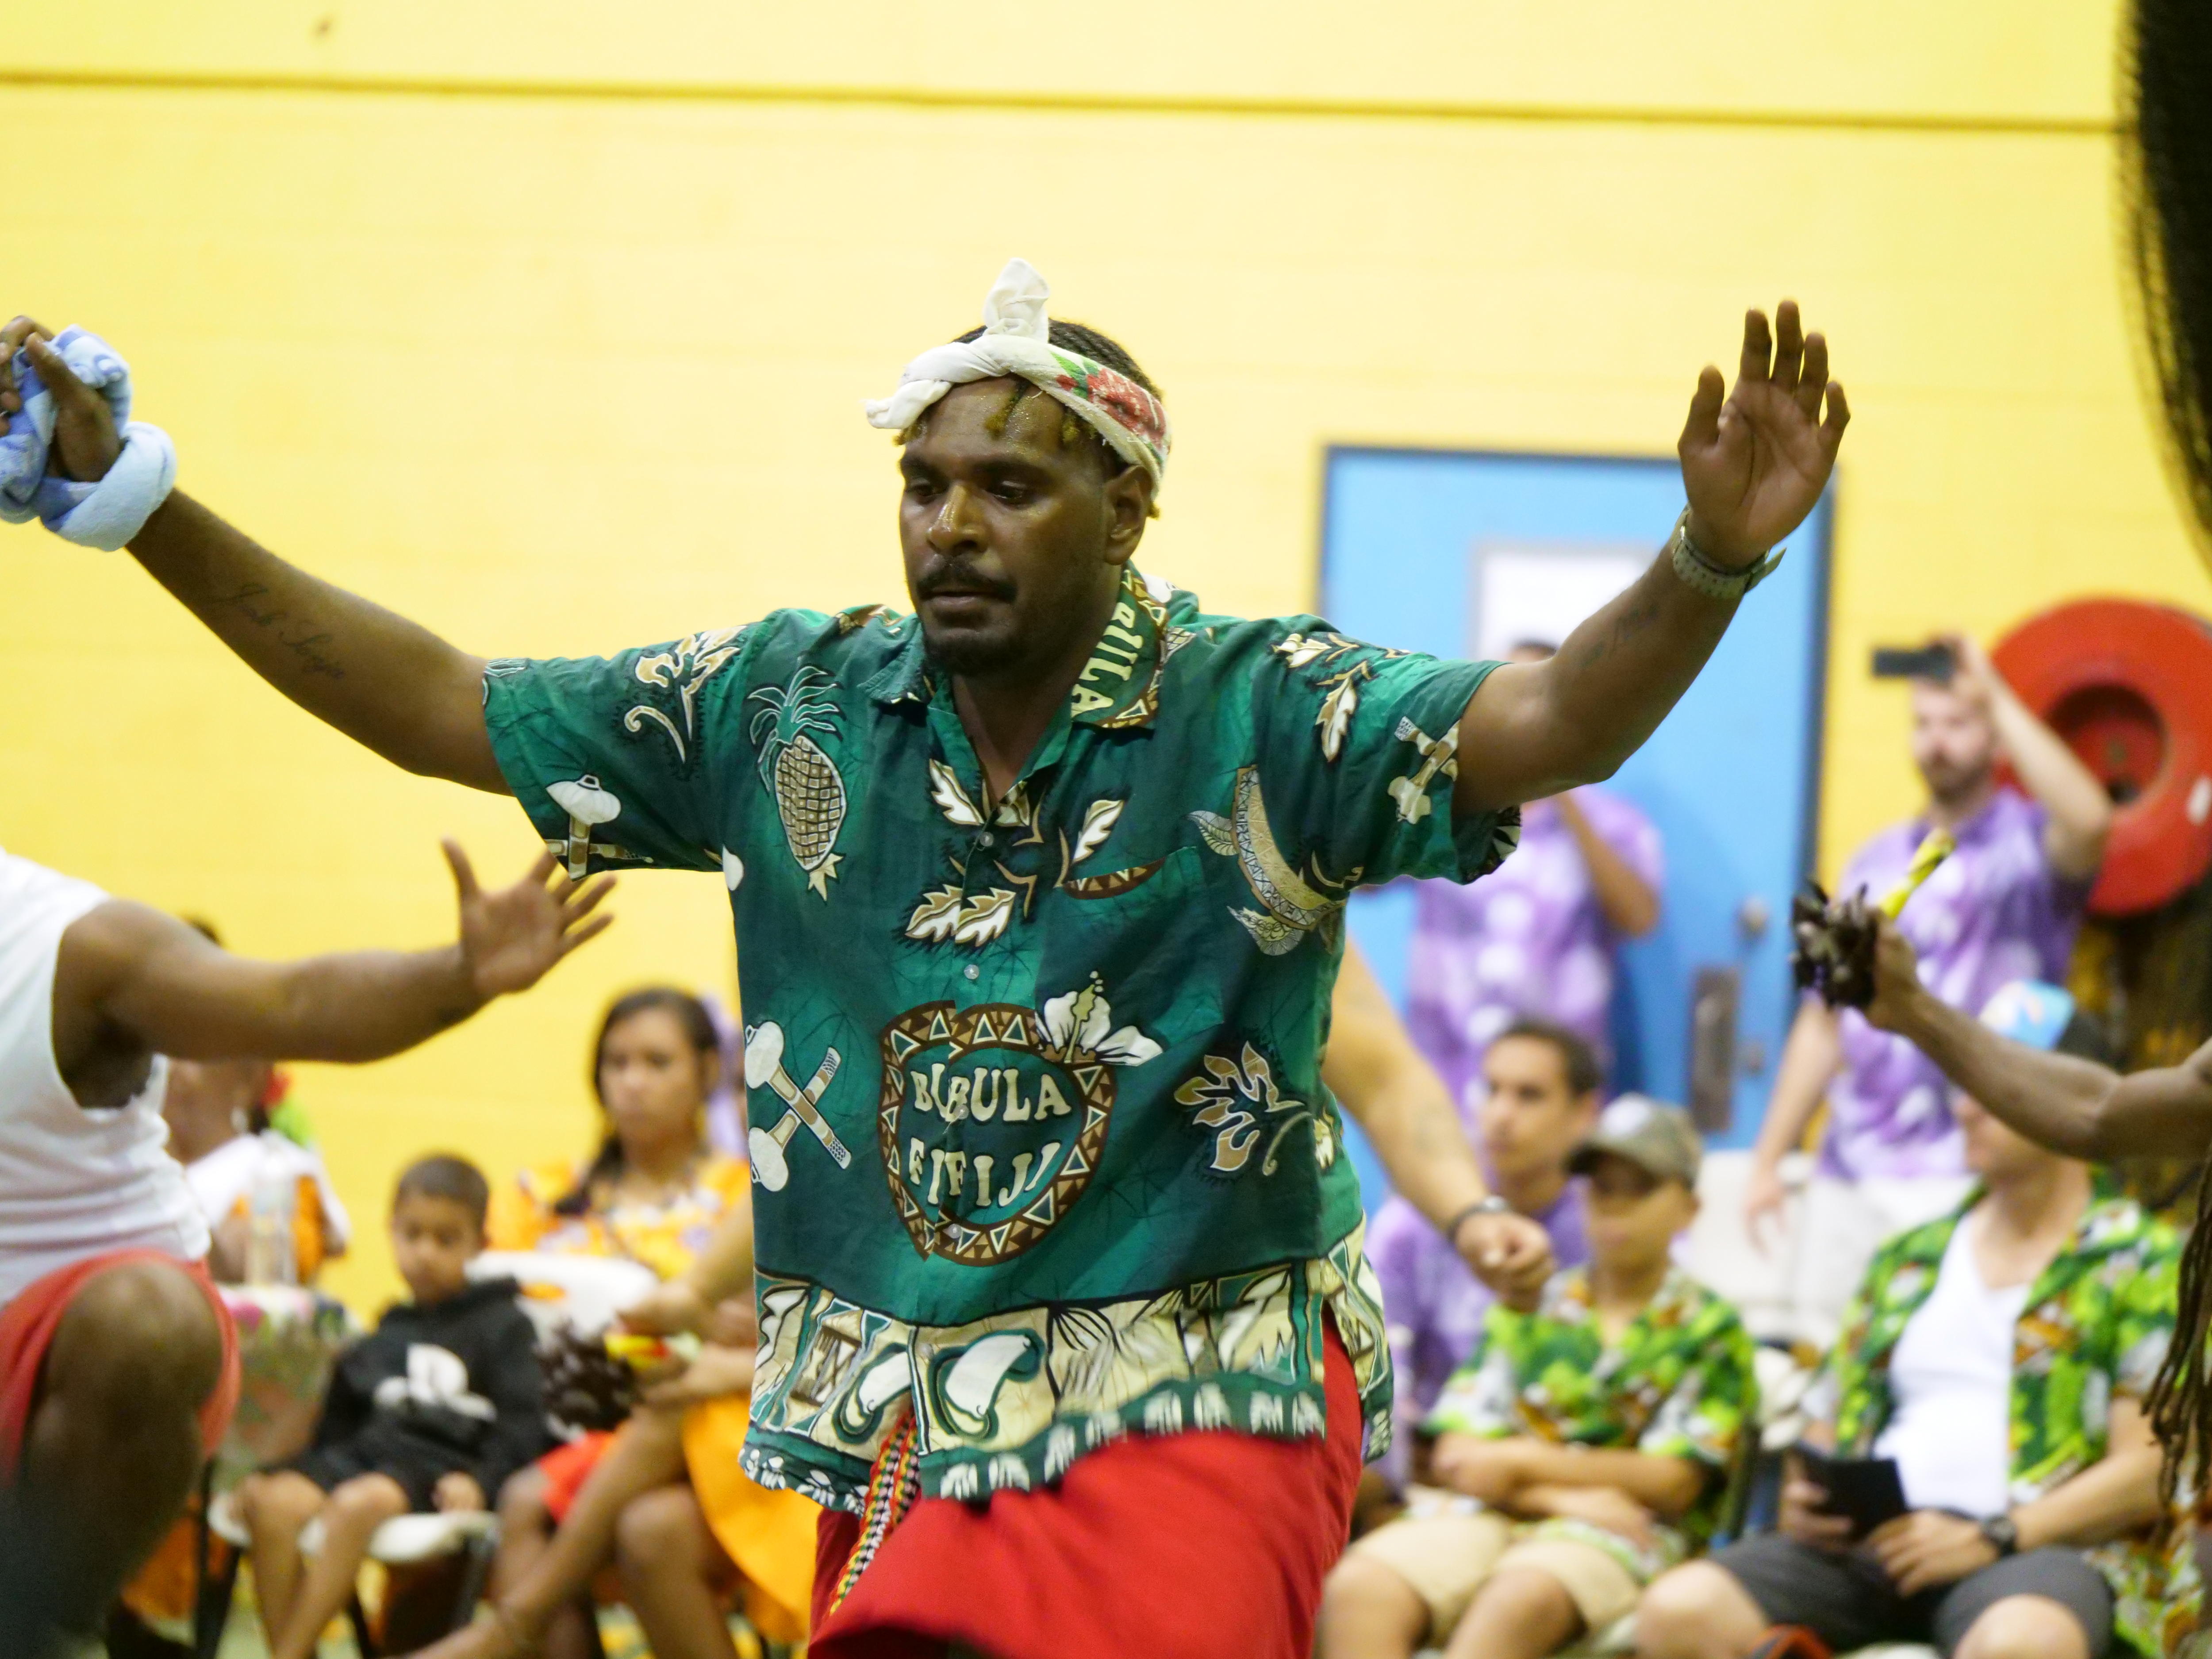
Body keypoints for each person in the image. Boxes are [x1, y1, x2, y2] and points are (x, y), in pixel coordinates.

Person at [1, 257, 1846, 1658]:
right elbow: (438, 705)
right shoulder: (785, 705)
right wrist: (140, 504)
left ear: (1127, 511)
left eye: (1011, 488)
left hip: (1203, 1375)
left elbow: (1547, 722)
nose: (951, 524)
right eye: (925, 482)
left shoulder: (1264, 708)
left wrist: (1702, 563)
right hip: (914, 1402)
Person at [0, 838, 611, 1656]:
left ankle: (49, 1632)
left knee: (148, 1322)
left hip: (80, 1339)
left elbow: (294, 1001)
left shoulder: (76, 944)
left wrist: (459, 974)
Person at [1636, 1058, 2189, 1659]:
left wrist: (1995, 1534)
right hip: (1874, 1543)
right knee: (1679, 1610)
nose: (1965, 1109)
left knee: (2022, 1644)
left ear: (2075, 1108)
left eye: (1997, 1091)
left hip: (2038, 1549)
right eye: (1964, 1091)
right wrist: (1805, 1501)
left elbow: (2151, 1470)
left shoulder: (2144, 1260)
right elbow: (1825, 1421)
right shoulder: (1909, 1255)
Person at [1743, 632, 2113, 1345]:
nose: (1937, 741)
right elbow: (1825, 1020)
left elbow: (2092, 821)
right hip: (1851, 1166)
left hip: (1969, 1163)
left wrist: (1994, 693)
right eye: (1923, 723)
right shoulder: (1875, 858)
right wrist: (1769, 1159)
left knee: (1938, 1361)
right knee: (1826, 1361)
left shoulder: (2029, 849)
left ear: (1994, 735)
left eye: (1957, 723)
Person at [1319, 1099, 1755, 1659]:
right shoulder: (1532, 1304)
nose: (1614, 1206)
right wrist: (1553, 1493)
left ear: (1689, 1208)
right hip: (1496, 1510)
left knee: (1517, 1601)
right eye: (1601, 1187)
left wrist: (1515, 1461)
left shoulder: (1710, 1328)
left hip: (1627, 1532)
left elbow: (1672, 1481)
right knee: (1360, 1587)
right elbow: (1455, 1453)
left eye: (1639, 1188)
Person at [457, 987, 812, 1659]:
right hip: (559, 1411)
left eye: (655, 1061)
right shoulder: (542, 1194)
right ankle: (514, 1625)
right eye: (616, 1063)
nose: (633, 1083)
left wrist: (700, 1333)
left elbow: (784, 1336)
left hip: (721, 1423)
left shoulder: (748, 1193)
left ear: (706, 1071)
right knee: (615, 1517)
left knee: (557, 1499)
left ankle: (512, 1626)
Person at [234, 1156, 546, 1659]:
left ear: (480, 1244)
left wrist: (482, 1481)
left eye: (446, 1239)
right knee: (268, 1501)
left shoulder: (505, 1326)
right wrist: (279, 1473)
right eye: (412, 1234)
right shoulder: (388, 1329)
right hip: (367, 1457)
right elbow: (338, 1424)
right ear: (391, 1231)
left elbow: (524, 1426)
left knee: (357, 1505)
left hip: (440, 1465)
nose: (425, 1253)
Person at [1353, 990, 1600, 1467]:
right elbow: (1376, 1375)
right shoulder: (1413, 1224)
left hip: (1567, 1466)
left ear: (1583, 1113)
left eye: (1529, 1095)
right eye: (1491, 1090)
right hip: (1430, 1468)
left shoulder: (1605, 1229)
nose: (1501, 1115)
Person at [1405, 637, 1661, 1096]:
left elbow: (1639, 919)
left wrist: (1561, 781)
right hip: (1443, 1079)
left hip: (1555, 1092)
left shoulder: (1612, 823)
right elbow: (1356, 878)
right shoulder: (1446, 806)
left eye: (1539, 698)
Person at [164, 1050, 352, 1285]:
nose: (172, 1070)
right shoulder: (144, 1162)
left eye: (190, 1054)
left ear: (251, 1079)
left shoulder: (280, 1167)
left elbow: (278, 1268)